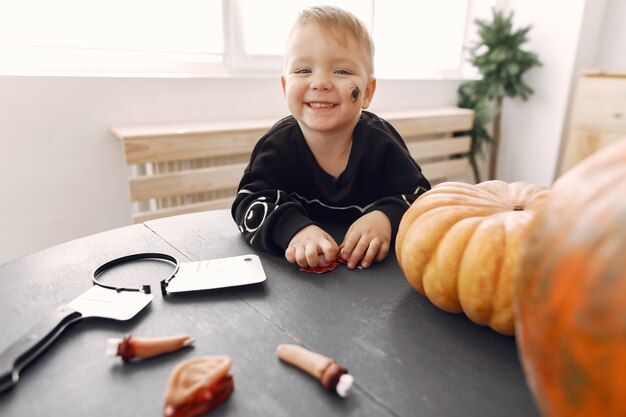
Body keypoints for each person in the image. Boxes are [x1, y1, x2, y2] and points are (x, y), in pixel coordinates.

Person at [231, 5, 430, 270]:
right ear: (284, 86)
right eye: (303, 70)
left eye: (342, 71)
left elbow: (420, 199)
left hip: (374, 282)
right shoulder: (277, 145)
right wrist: (294, 230)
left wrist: (385, 217)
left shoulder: (381, 143)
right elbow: (249, 203)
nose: (321, 83)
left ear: (368, 91)